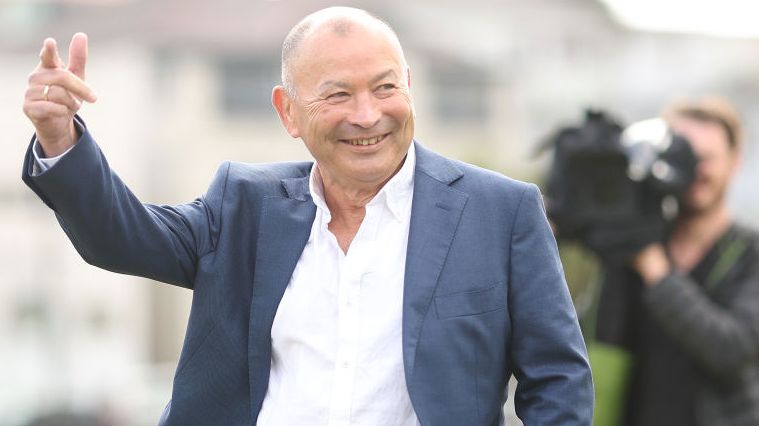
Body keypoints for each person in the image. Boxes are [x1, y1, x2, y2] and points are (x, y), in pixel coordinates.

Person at [21, 7, 593, 426]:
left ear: (410, 88)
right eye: (337, 95)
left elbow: (559, 381)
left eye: (385, 87)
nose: (367, 115)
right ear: (288, 112)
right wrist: (60, 138)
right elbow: (123, 239)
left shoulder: (500, 210)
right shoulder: (243, 204)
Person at [595, 98, 759, 425]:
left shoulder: (750, 253)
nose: (695, 169)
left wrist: (655, 268)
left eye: (707, 158)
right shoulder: (633, 246)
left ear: (735, 161)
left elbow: (733, 349)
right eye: (684, 155)